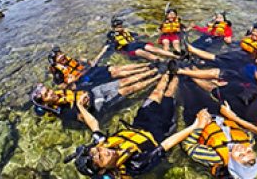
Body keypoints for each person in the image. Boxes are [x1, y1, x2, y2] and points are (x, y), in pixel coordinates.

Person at [64, 75, 202, 178]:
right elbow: (166, 144)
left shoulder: (103, 145)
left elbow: (93, 124)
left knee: (155, 93)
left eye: (99, 150)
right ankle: (177, 77)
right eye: (101, 158)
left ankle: (167, 73)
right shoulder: (135, 164)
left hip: (140, 124)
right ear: (102, 170)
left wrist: (80, 106)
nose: (105, 151)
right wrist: (195, 126)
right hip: (158, 130)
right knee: (169, 95)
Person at [30, 67, 162, 125]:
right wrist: (82, 105)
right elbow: (84, 119)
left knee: (125, 81)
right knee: (129, 89)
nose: (51, 92)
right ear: (46, 103)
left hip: (95, 91)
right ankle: (156, 78)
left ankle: (152, 70)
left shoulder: (59, 92)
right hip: (98, 103)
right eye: (47, 94)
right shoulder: (62, 112)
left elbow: (72, 86)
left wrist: (73, 83)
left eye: (48, 90)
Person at [182, 109, 257, 178]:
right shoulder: (249, 141)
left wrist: (201, 124)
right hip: (223, 114)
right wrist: (231, 115)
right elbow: (247, 132)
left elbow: (188, 146)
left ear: (232, 163)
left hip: (199, 119)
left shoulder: (215, 156)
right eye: (249, 151)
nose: (243, 149)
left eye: (241, 155)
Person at [48, 46, 152, 89]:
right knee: (116, 73)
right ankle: (147, 71)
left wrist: (91, 59)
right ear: (55, 62)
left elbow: (86, 61)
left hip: (92, 71)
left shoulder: (71, 60)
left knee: (116, 68)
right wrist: (69, 83)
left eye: (60, 53)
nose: (61, 56)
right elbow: (61, 87)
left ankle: (147, 66)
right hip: (85, 79)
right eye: (58, 56)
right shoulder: (58, 74)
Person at [107, 17, 179, 61]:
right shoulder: (112, 35)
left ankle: (176, 56)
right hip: (128, 48)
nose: (120, 28)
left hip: (136, 43)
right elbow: (112, 45)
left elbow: (136, 35)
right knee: (143, 53)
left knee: (153, 49)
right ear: (114, 28)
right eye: (118, 27)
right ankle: (163, 61)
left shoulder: (126, 32)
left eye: (121, 26)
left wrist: (145, 35)